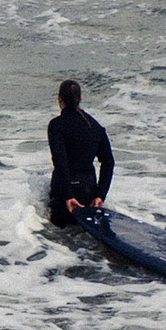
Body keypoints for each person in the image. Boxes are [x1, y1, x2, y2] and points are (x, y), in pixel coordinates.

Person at [46, 78, 113, 227]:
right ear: (80, 99)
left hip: (64, 193)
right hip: (89, 192)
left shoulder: (57, 125)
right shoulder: (95, 126)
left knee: (59, 239)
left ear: (59, 99)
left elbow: (60, 161)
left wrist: (68, 195)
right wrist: (100, 195)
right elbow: (108, 162)